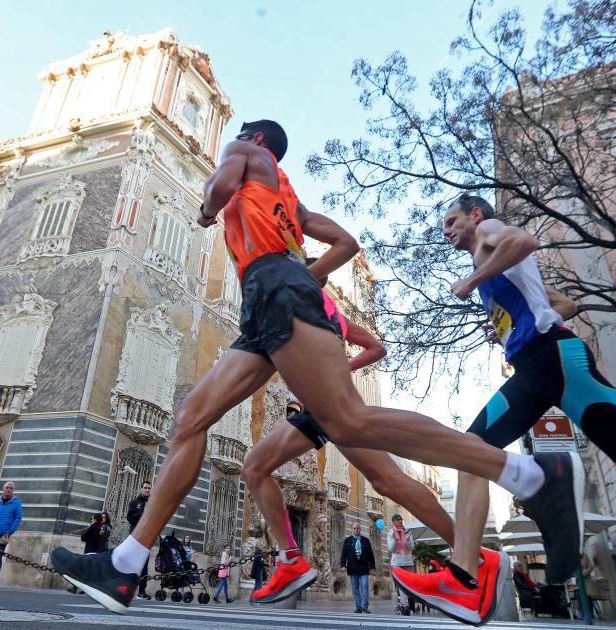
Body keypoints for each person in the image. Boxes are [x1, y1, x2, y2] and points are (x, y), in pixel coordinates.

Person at [50, 120, 585, 618]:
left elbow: (217, 188)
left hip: (276, 289)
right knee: (192, 419)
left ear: (255, 138)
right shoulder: (288, 199)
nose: (232, 146)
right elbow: (346, 243)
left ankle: (530, 476)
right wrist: (309, 273)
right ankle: (125, 565)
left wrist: (210, 214)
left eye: (239, 138)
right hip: (267, 303)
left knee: (355, 430)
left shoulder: (245, 153)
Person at [395, 195, 616, 625]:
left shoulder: (490, 234)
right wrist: (512, 329)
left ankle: (471, 567)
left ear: (476, 215)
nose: (448, 231)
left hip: (558, 360)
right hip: (536, 365)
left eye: (452, 221)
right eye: (445, 228)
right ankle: (466, 576)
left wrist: (474, 281)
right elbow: (565, 305)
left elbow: (525, 240)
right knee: (475, 451)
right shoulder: (492, 260)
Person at [244, 260, 460, 606]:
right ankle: (292, 558)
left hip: (336, 406)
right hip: (316, 410)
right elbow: (376, 348)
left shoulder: (320, 313)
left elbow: (377, 347)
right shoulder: (312, 312)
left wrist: (342, 368)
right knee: (255, 467)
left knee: (389, 481)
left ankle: (466, 554)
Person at [339, 521, 376, 614]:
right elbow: (344, 554)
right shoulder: (348, 541)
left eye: (358, 528)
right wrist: (343, 565)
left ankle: (365, 606)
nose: (356, 530)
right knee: (355, 588)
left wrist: (372, 566)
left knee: (365, 586)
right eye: (354, 528)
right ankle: (358, 607)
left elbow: (371, 554)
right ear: (352, 529)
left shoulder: (366, 540)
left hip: (364, 567)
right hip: (352, 567)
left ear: (360, 529)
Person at [126, 482, 152, 599]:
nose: (147, 490)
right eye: (145, 488)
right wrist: (143, 512)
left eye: (149, 488)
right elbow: (130, 518)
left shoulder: (153, 503)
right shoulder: (134, 503)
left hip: (147, 537)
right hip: (135, 537)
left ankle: (142, 591)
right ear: (141, 489)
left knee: (144, 566)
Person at [387, 514, 415, 616]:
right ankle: (405, 605)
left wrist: (407, 540)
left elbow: (411, 547)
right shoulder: (390, 533)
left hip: (408, 561)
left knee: (409, 584)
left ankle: (409, 601)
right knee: (402, 585)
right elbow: (391, 549)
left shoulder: (408, 531)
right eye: (398, 520)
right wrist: (395, 539)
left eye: (401, 520)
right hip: (397, 562)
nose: (400, 521)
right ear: (393, 522)